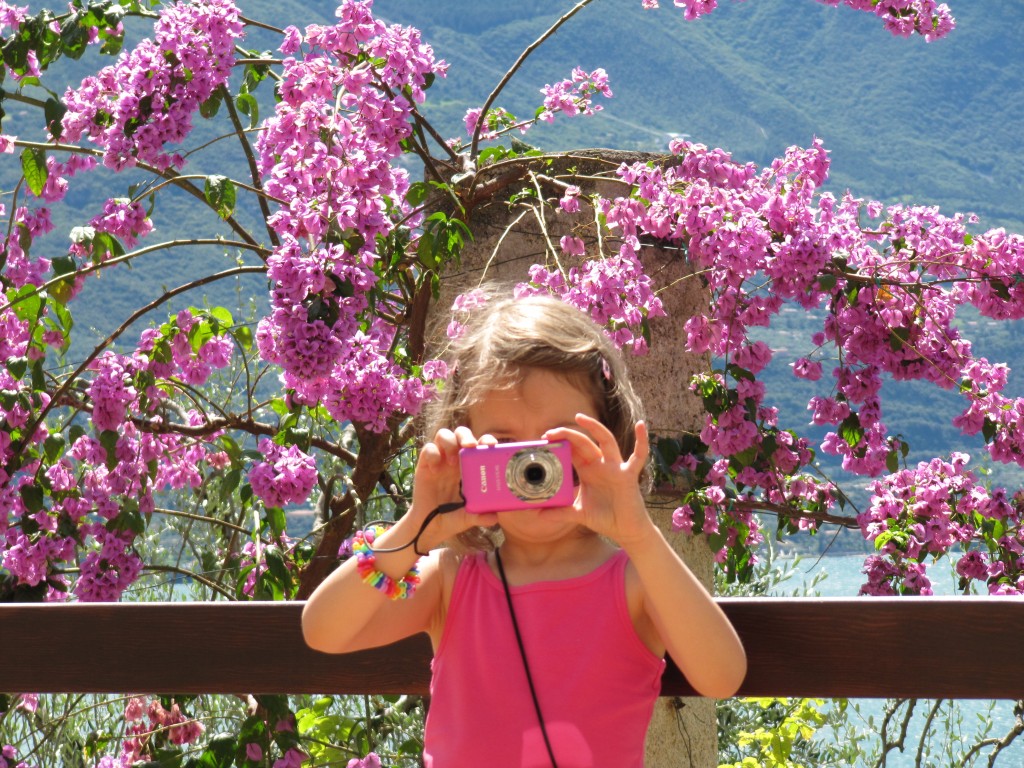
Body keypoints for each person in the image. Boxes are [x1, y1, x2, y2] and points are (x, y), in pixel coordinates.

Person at [302, 291, 746, 767]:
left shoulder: (634, 583)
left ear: (608, 437)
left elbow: (721, 676)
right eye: (506, 443)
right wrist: (420, 526)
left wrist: (639, 534)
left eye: (557, 439)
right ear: (464, 449)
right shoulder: (451, 580)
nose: (533, 466)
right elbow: (323, 630)